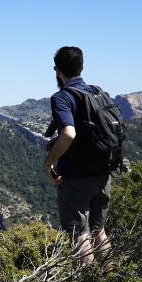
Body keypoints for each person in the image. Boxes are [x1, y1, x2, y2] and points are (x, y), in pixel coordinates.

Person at [43, 46, 112, 269]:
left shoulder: (62, 97)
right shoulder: (98, 93)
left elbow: (69, 132)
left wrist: (50, 162)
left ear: (57, 70)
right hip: (103, 174)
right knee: (99, 231)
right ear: (82, 67)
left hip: (76, 179)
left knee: (79, 235)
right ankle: (112, 281)